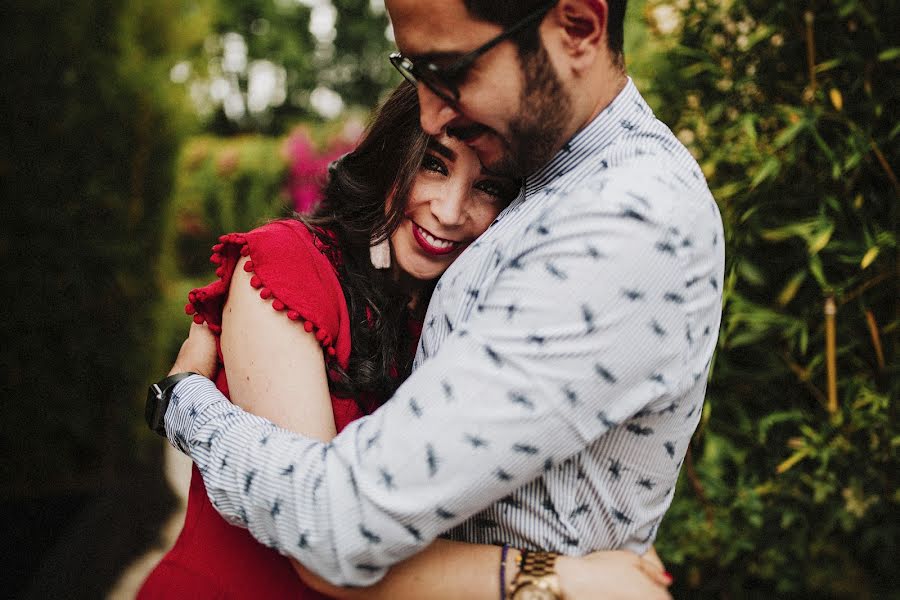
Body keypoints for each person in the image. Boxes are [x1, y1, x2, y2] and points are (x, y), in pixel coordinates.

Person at [154, 0, 724, 597]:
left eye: (452, 70)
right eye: (416, 73)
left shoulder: (626, 220)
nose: (428, 112)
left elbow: (341, 523)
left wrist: (184, 403)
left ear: (579, 27)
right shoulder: (550, 174)